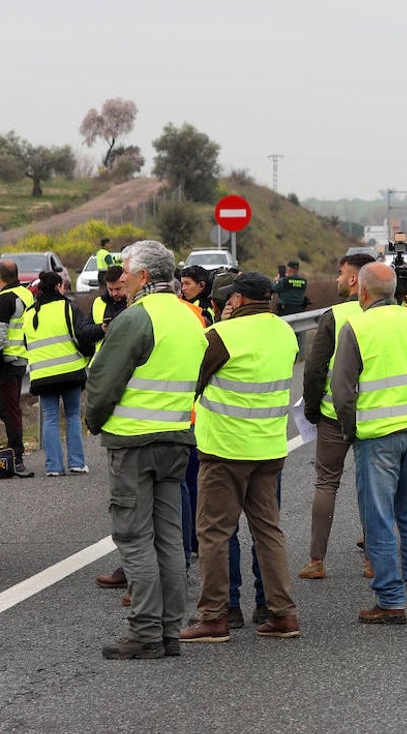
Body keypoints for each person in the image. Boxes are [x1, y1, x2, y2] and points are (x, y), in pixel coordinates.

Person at [84, 240, 207, 660]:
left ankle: (144, 631)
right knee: (170, 538)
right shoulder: (191, 317)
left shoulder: (136, 318)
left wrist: (93, 421)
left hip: (133, 441)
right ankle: (170, 631)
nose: (122, 278)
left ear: (142, 276)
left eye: (126, 271)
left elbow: (103, 382)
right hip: (175, 438)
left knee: (135, 538)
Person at [178, 271, 300, 643]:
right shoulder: (285, 332)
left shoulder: (221, 335)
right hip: (269, 447)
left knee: (214, 532)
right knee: (268, 531)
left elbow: (191, 380)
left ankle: (214, 616)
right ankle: (282, 614)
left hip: (225, 449)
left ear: (239, 300)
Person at [332, 261, 407, 625]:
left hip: (376, 437)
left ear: (362, 291)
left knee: (379, 520)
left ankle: (391, 600)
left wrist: (349, 430)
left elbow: (342, 391)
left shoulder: (355, 326)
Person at [298, 252, 378, 581]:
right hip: (375, 414)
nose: (337, 280)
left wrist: (311, 409)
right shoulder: (396, 314)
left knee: (326, 483)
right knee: (374, 487)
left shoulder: (335, 315)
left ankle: (317, 561)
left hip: (333, 414)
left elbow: (315, 368)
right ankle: (373, 560)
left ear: (356, 279)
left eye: (342, 274)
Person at [24, 272, 89, 477]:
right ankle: (77, 463)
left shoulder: (29, 313)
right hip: (70, 372)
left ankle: (53, 466)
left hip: (43, 375)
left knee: (50, 419)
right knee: (72, 416)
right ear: (59, 286)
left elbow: (28, 344)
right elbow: (81, 335)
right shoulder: (68, 307)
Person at [0, 259, 35, 477]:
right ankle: (15, 454)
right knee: (11, 409)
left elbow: (0, 335)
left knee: (9, 411)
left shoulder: (4, 299)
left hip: (6, 363)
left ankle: (16, 456)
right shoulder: (26, 294)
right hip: (21, 360)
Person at [78, 265, 128, 356]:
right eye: (110, 289)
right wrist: (101, 329)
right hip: (101, 362)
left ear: (126, 283)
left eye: (118, 289)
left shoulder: (134, 302)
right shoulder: (98, 303)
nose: (114, 293)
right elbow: (84, 331)